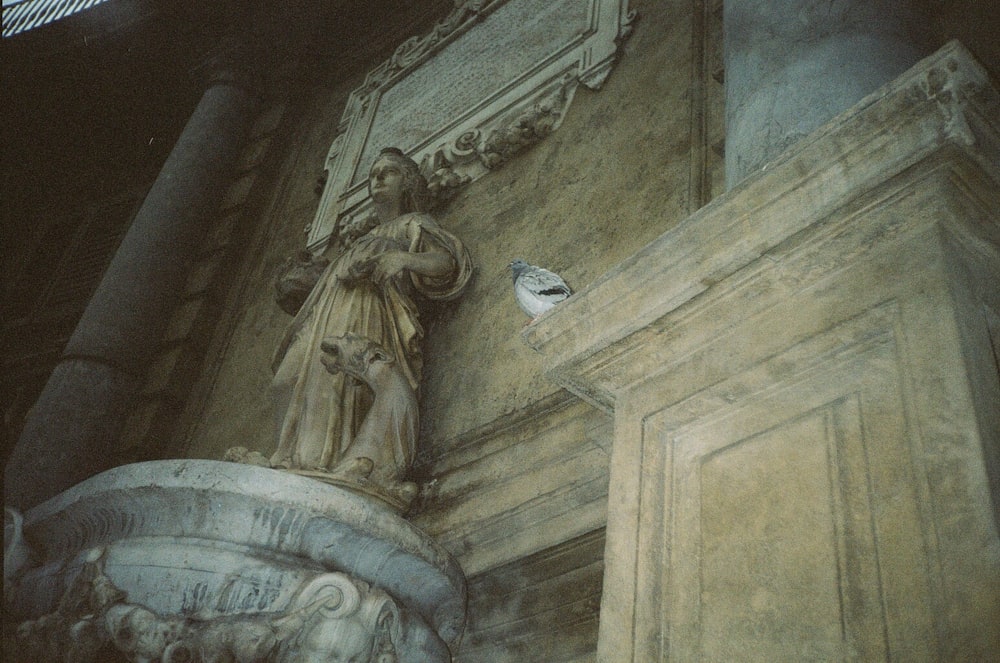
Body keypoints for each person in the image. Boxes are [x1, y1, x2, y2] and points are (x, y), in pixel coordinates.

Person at [270, 148, 472, 473]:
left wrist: (405, 259)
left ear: (406, 183)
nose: (377, 178)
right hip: (327, 316)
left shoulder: (412, 223)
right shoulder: (360, 239)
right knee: (284, 381)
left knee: (343, 387)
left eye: (388, 171)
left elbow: (446, 261)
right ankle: (286, 458)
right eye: (373, 173)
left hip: (367, 314)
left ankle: (329, 464)